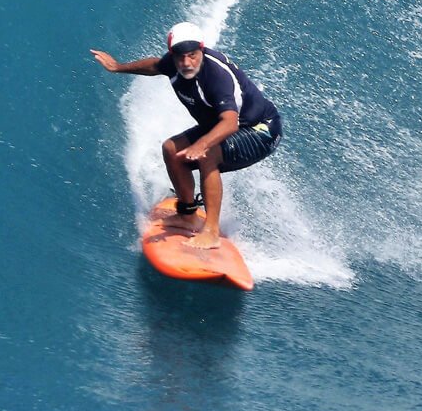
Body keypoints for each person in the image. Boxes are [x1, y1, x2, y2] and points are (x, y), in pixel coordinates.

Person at [91, 22, 282, 249]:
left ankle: (210, 232)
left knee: (207, 154)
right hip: (224, 125)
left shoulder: (216, 77)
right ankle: (188, 214)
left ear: (201, 50)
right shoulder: (175, 62)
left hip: (260, 130)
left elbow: (230, 123)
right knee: (171, 149)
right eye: (180, 57)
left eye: (192, 56)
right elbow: (155, 65)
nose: (186, 63)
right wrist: (118, 67)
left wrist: (201, 144)